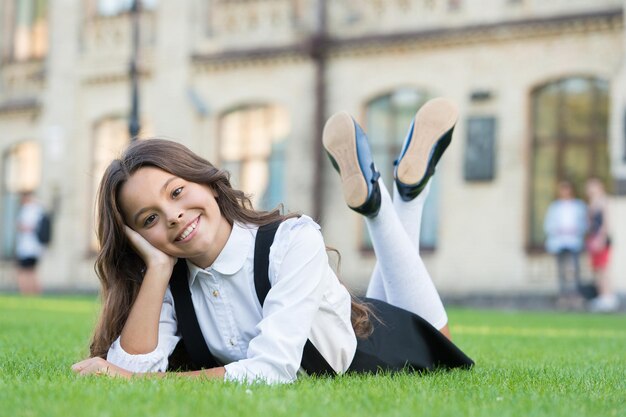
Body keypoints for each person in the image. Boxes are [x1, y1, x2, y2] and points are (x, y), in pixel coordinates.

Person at [72, 97, 473, 383]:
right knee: (382, 291)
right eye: (150, 218)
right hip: (352, 316)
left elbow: (271, 369)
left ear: (207, 182)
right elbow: (129, 373)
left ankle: (383, 207)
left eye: (176, 192)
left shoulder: (292, 240)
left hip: (380, 351)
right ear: (138, 237)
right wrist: (157, 268)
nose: (173, 216)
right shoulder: (170, 280)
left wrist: (137, 382)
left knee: (439, 341)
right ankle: (405, 195)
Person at [543, 180, 588, 308]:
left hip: (573, 241)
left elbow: (584, 223)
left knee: (574, 269)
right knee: (561, 269)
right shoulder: (555, 207)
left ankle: (575, 295)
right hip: (559, 241)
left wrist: (576, 230)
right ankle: (563, 296)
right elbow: (549, 224)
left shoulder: (578, 206)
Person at [585, 178, 619, 312]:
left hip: (601, 240)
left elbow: (605, 224)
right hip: (593, 240)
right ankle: (601, 295)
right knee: (597, 269)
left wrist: (600, 238)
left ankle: (608, 296)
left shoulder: (603, 201)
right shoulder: (591, 203)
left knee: (604, 269)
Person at [14, 192, 44, 295]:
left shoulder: (28, 210)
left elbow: (25, 226)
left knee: (24, 271)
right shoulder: (38, 209)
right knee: (32, 271)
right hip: (35, 248)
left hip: (27, 248)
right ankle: (34, 293)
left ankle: (26, 292)